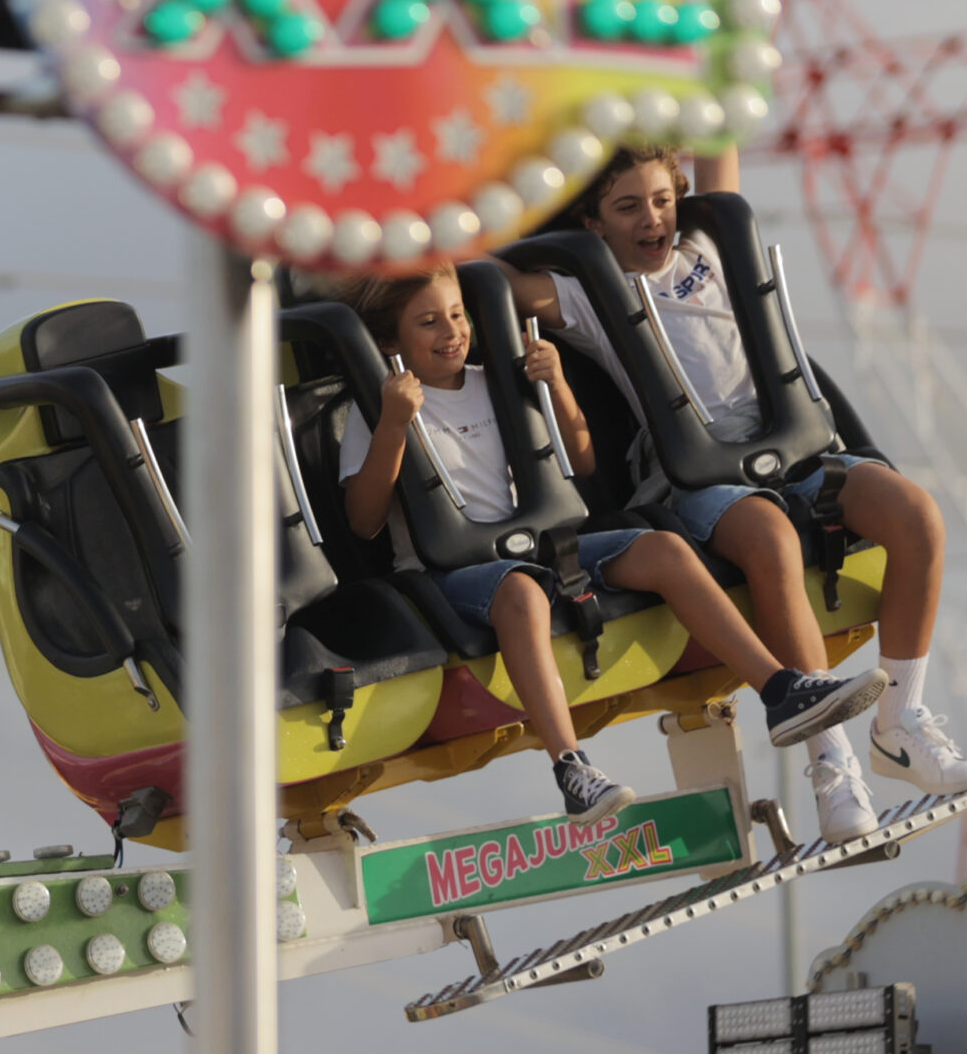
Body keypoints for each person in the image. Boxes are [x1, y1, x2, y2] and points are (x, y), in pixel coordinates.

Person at [504, 143, 967, 845]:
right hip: (704, 475)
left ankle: (901, 723)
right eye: (628, 207)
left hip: (791, 447)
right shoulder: (588, 289)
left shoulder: (709, 244)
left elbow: (717, 145)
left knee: (917, 515)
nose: (652, 219)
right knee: (771, 542)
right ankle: (832, 763)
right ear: (595, 223)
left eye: (662, 200)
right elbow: (490, 282)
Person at [338, 265, 886, 828]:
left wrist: (557, 387)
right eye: (428, 323)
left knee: (664, 550)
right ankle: (572, 767)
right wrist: (394, 427)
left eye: (457, 315)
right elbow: (364, 519)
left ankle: (779, 687)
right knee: (522, 595)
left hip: (545, 550)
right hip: (459, 573)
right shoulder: (379, 410)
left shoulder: (493, 384)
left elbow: (581, 461)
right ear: (390, 341)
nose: (450, 332)